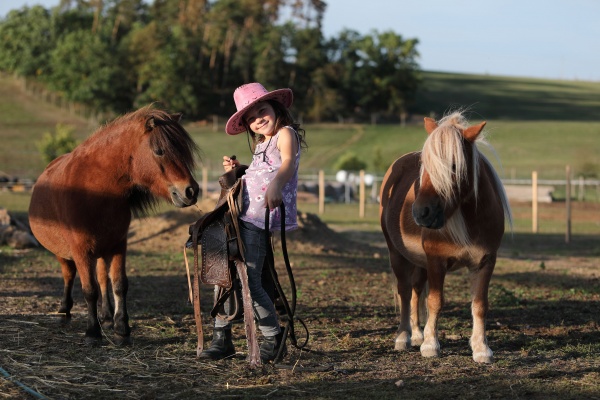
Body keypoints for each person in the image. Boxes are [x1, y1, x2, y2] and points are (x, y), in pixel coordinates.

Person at [199, 82, 307, 363]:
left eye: (262, 110)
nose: (258, 118)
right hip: (242, 214)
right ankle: (221, 336)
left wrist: (277, 186)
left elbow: (286, 164)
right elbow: (260, 172)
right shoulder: (262, 143)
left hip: (258, 218)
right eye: (251, 117)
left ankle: (273, 336)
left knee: (251, 280)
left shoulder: (286, 133)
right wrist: (237, 171)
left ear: (275, 108)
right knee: (222, 274)